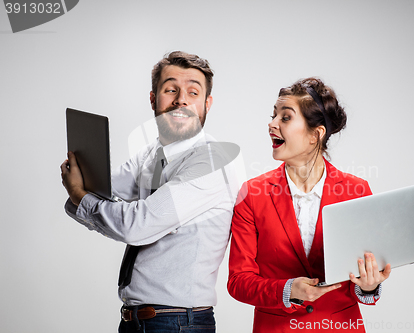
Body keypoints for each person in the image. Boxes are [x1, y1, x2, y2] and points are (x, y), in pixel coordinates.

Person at [61, 51, 240, 333]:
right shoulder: (153, 153)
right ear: (153, 99)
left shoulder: (211, 161)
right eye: (171, 90)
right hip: (139, 321)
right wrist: (81, 194)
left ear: (207, 104)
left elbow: (135, 225)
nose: (181, 99)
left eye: (193, 92)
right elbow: (100, 189)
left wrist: (81, 197)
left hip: (178, 322)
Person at [227, 77, 391, 332]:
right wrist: (287, 290)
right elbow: (238, 281)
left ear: (316, 134)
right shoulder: (252, 194)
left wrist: (368, 285)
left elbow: (361, 276)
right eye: (273, 115)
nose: (271, 124)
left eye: (285, 117)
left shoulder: (356, 191)